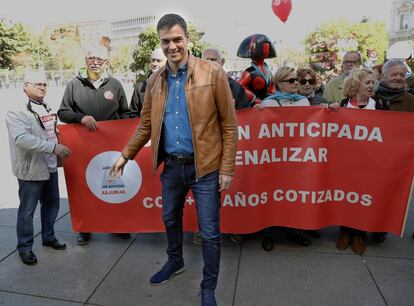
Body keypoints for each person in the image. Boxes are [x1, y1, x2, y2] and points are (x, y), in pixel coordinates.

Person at [110, 14, 237, 306]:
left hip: (205, 167)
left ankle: (208, 287)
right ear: (161, 42)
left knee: (209, 232)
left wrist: (227, 167)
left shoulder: (212, 73)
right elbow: (145, 126)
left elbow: (229, 125)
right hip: (172, 166)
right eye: (166, 41)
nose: (172, 46)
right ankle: (175, 261)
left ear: (188, 39)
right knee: (169, 218)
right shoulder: (154, 80)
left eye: (177, 39)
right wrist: (125, 155)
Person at [58, 45, 130, 245]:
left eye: (100, 59)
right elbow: (62, 112)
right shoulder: (74, 84)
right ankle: (85, 228)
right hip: (84, 147)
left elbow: (125, 113)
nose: (95, 62)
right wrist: (80, 118)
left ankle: (118, 226)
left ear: (106, 62)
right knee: (84, 188)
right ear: (86, 60)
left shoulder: (115, 84)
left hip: (111, 146)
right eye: (91, 58)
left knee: (114, 187)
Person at [6, 71, 72, 265]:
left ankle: (49, 236)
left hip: (49, 165)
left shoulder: (44, 106)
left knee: (52, 204)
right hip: (31, 169)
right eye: (38, 84)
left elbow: (48, 131)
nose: (43, 87)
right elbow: (22, 139)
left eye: (44, 84)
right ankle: (25, 247)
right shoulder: (16, 110)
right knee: (27, 210)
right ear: (26, 85)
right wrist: (53, 147)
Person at [192, 47, 249, 246]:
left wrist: (257, 110)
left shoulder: (235, 88)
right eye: (205, 59)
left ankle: (236, 227)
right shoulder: (193, 85)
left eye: (213, 59)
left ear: (223, 62)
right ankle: (203, 230)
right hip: (205, 151)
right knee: (206, 196)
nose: (209, 62)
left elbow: (247, 116)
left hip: (229, 149)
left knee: (235, 192)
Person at [331, 68, 383, 254]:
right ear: (356, 84)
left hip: (369, 163)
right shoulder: (343, 105)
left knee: (363, 197)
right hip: (346, 163)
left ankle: (360, 233)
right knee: (345, 196)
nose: (372, 86)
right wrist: (331, 110)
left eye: (373, 82)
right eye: (368, 82)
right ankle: (344, 231)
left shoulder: (378, 106)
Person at [260, 66, 313, 251]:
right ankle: (269, 232)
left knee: (295, 195)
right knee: (273, 195)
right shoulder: (268, 104)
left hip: (297, 158)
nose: (296, 83)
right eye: (291, 81)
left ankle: (294, 230)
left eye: (296, 79)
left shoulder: (304, 102)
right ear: (279, 84)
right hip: (275, 160)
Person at [373, 59, 414, 243]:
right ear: (382, 76)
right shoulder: (370, 97)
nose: (398, 78)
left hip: (398, 160)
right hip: (371, 157)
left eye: (402, 74)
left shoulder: (411, 101)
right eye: (394, 74)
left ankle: (381, 227)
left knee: (390, 195)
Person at [237, 34, 276, 106]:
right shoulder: (249, 72)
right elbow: (239, 86)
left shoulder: (269, 73)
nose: (266, 50)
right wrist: (253, 98)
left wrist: (271, 97)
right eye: (264, 46)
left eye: (267, 46)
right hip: (253, 106)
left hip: (267, 105)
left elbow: (272, 86)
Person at [129, 48, 167, 117]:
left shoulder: (174, 85)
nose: (155, 63)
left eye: (158, 60)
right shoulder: (139, 87)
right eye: (152, 60)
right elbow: (133, 114)